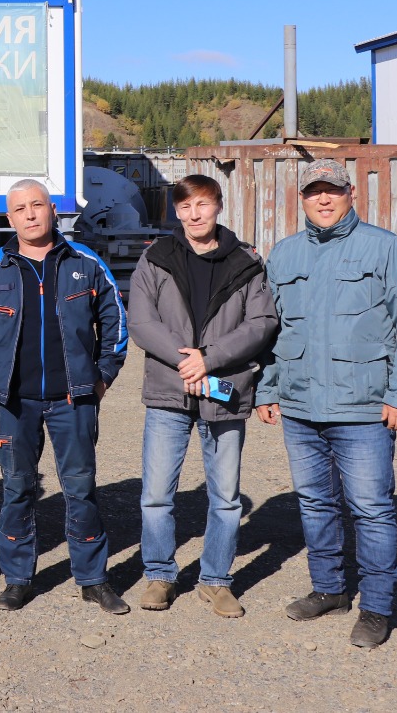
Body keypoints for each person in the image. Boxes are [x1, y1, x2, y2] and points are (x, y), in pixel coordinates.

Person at [256, 159, 397, 649]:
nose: (324, 199)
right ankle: (329, 589)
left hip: (365, 408)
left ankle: (376, 607)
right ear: (302, 198)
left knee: (372, 509)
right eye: (314, 192)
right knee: (314, 503)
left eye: (332, 190)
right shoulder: (285, 255)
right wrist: (267, 389)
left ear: (350, 193)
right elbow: (272, 331)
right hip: (300, 406)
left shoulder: (383, 247)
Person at [126, 174, 277, 617]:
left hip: (224, 392)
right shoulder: (156, 258)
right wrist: (184, 360)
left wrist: (208, 359)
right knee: (156, 493)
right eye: (186, 206)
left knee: (226, 496)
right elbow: (141, 321)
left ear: (218, 206)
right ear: (176, 210)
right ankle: (159, 574)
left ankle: (215, 580)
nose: (195, 214)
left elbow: (262, 322)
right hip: (169, 390)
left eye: (204, 205)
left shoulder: (246, 261)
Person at [0, 179, 130, 615]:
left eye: (37, 205)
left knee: (80, 490)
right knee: (17, 489)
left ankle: (93, 578)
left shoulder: (86, 262)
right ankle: (18, 578)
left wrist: (101, 379)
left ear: (52, 211)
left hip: (73, 400)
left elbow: (115, 324)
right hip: (13, 402)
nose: (29, 214)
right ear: (9, 218)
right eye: (20, 208)